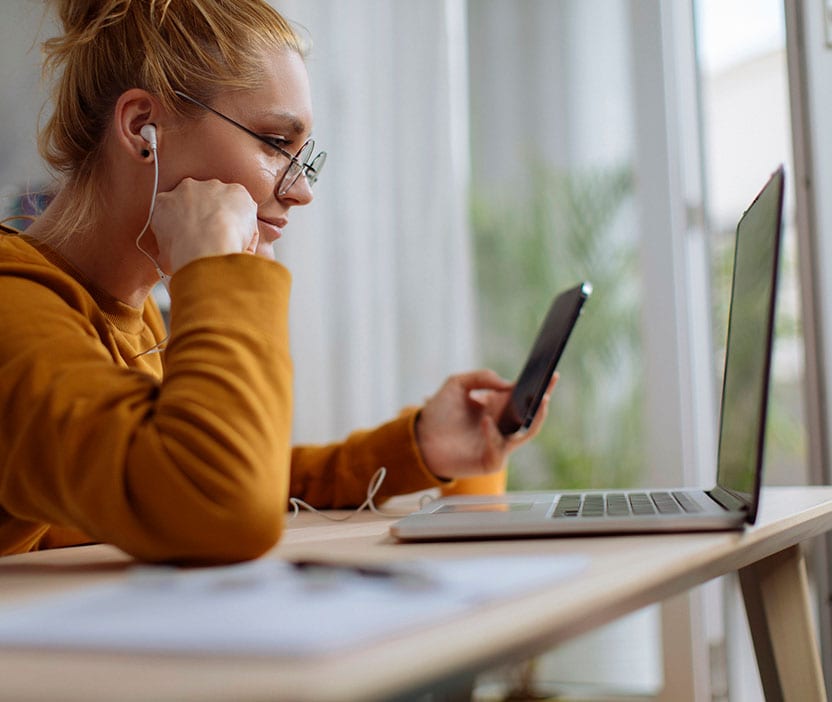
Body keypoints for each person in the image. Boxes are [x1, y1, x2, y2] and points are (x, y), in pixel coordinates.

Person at [0, 0, 553, 565]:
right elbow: (223, 500)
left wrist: (417, 447)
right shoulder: (11, 308)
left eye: (303, 156)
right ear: (144, 128)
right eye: (272, 142)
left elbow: (220, 467)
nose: (301, 191)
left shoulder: (124, 311)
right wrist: (218, 274)